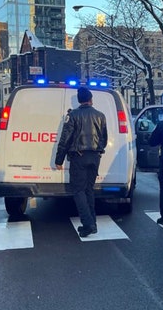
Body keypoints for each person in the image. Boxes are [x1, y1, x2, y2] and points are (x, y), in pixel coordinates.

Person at [55, 87, 108, 237]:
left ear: (79, 100)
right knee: (89, 190)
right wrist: (98, 151)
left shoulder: (73, 116)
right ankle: (93, 223)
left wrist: (59, 159)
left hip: (79, 156)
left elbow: (65, 139)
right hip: (95, 157)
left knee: (78, 190)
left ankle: (88, 224)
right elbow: (104, 138)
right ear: (91, 100)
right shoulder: (101, 116)